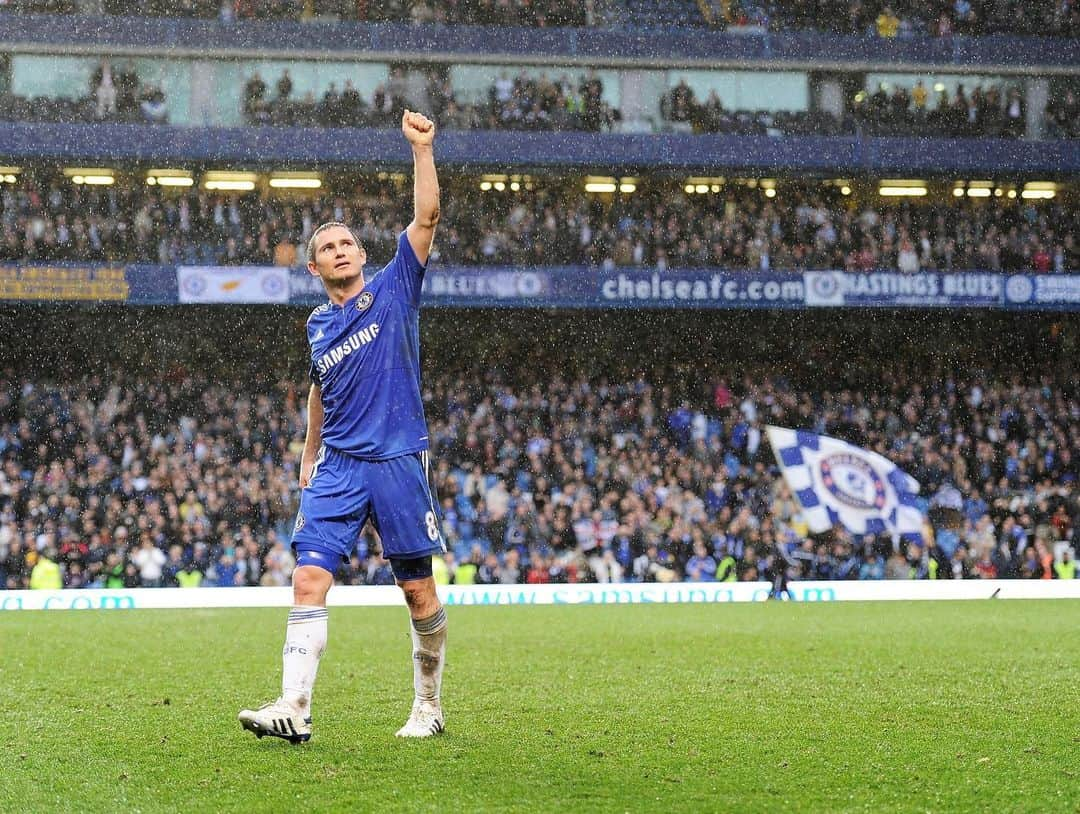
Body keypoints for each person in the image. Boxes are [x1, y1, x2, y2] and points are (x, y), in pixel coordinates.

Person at [239, 110, 447, 744]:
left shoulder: (393, 287)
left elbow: (427, 218)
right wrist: (309, 453)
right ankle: (294, 708)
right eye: (325, 248)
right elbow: (318, 390)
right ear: (315, 269)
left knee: (417, 592)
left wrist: (422, 150)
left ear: (361, 254)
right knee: (308, 576)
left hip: (396, 459)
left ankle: (429, 706)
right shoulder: (316, 325)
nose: (338, 251)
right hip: (339, 465)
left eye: (346, 243)